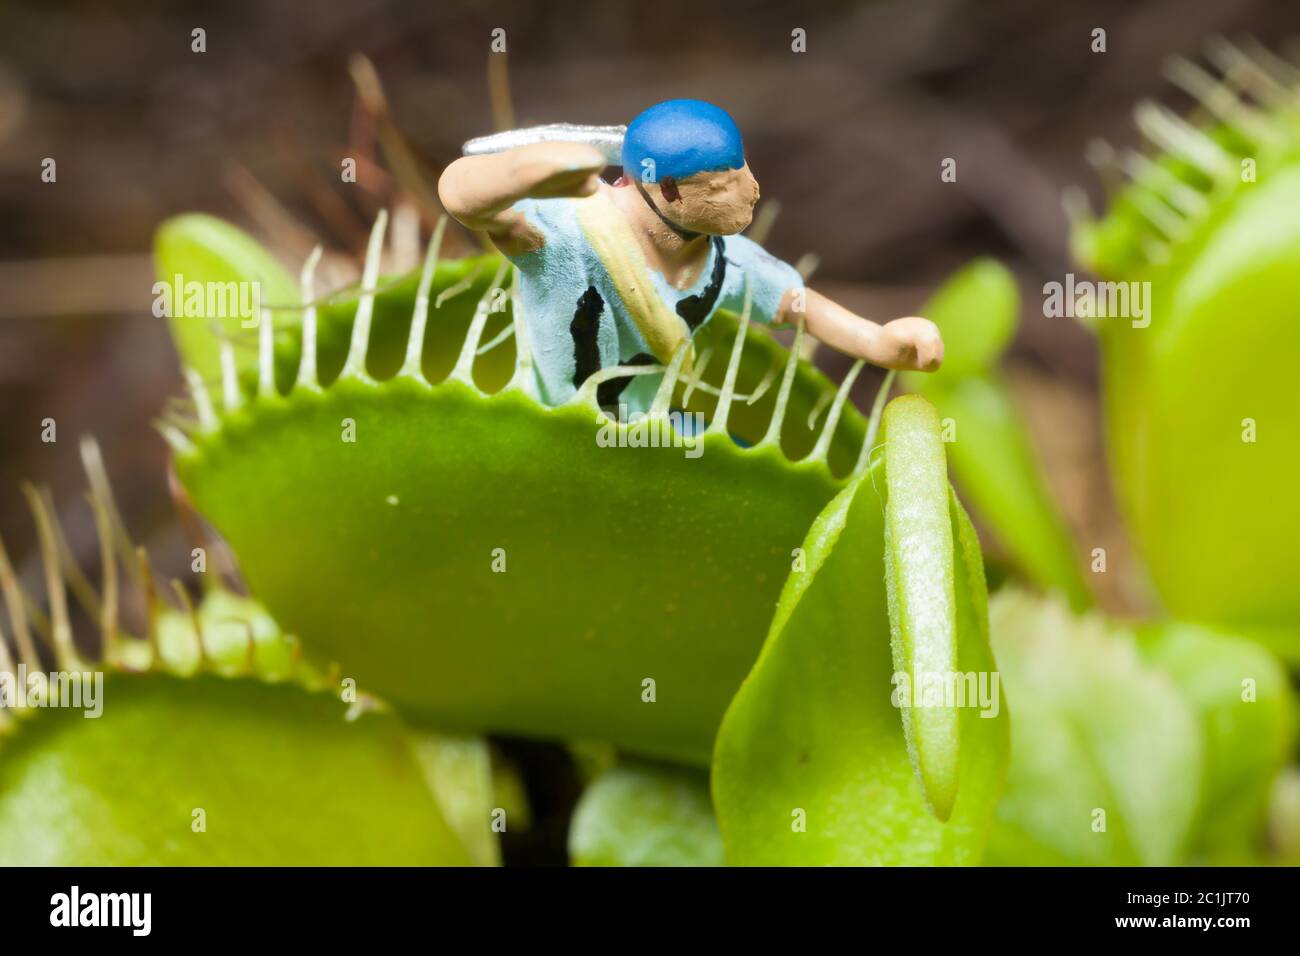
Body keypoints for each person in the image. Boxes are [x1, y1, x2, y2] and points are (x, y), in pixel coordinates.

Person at [438, 99, 943, 412]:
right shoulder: (571, 232)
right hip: (553, 427)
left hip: (649, 430)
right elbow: (465, 200)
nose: (752, 190)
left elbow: (797, 305)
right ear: (669, 192)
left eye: (743, 172)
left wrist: (879, 342)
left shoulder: (726, 261)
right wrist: (521, 174)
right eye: (724, 186)